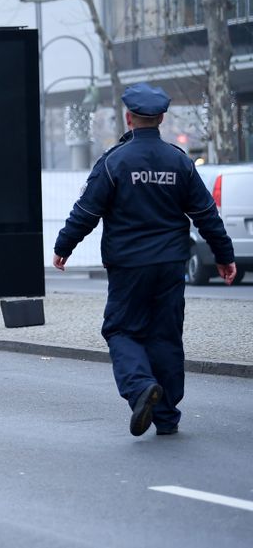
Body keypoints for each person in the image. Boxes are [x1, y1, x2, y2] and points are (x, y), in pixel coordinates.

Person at [51, 82, 236, 438]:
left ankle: (140, 389)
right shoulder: (179, 162)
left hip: (129, 265)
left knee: (121, 329)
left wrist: (64, 246)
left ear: (128, 118)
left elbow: (86, 210)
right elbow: (206, 214)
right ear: (162, 119)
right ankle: (166, 417)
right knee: (165, 336)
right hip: (170, 265)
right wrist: (224, 256)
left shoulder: (114, 162)